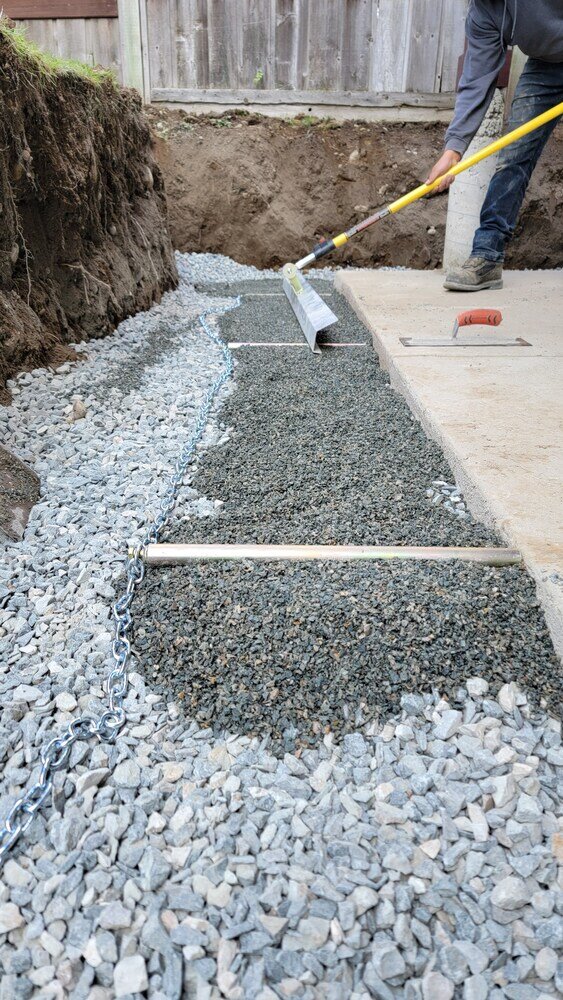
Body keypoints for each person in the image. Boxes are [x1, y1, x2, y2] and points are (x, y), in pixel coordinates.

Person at [425, 0, 563, 291]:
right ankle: (487, 256)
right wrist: (453, 150)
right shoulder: (483, 13)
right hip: (546, 68)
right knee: (514, 154)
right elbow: (475, 80)